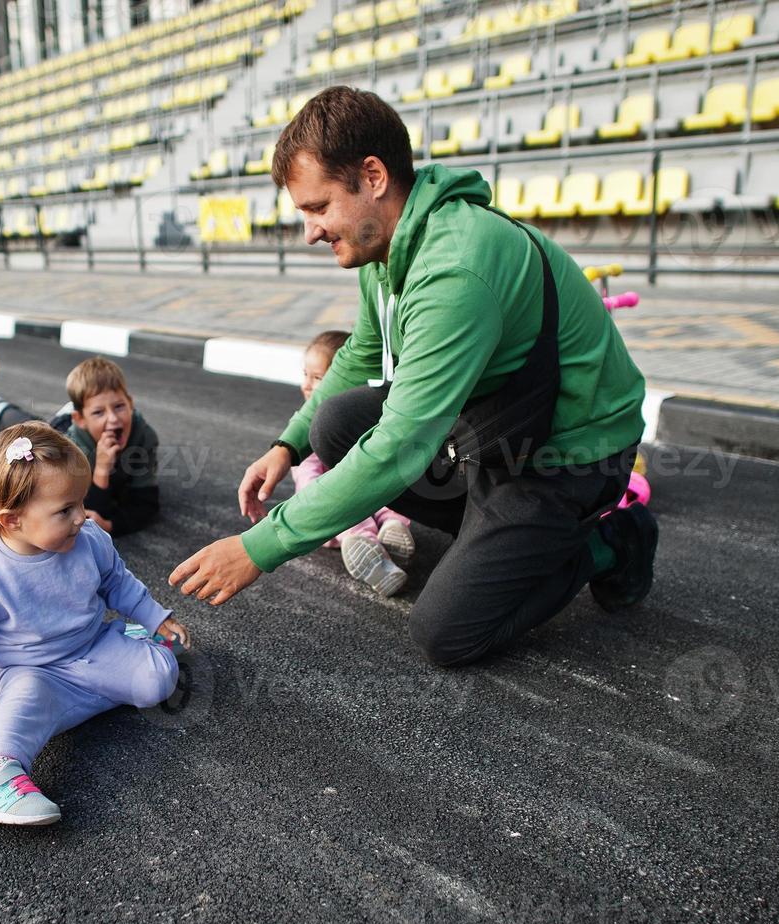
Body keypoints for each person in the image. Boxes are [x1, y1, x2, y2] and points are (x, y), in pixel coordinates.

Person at [169, 86, 657, 667]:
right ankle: (494, 539)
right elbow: (357, 356)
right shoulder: (388, 246)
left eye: (318, 207)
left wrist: (261, 546)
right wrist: (287, 444)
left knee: (447, 634)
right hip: (498, 429)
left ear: (372, 176)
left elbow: (402, 445)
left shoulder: (454, 268)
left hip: (567, 452)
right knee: (336, 423)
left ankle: (606, 543)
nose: (310, 232)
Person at [0, 423, 190, 826]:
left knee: (159, 681)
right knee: (28, 698)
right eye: (65, 510)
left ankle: (93, 678)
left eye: (80, 503)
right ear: (12, 521)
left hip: (93, 646)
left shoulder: (89, 538)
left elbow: (118, 582)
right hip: (31, 671)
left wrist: (155, 616)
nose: (82, 517)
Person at [294, 330, 415, 597]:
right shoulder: (309, 429)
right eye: (305, 374)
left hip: (359, 496)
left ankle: (391, 529)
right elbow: (309, 479)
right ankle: (367, 545)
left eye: (318, 379)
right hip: (338, 506)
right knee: (335, 495)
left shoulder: (345, 421)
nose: (307, 385)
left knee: (382, 488)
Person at [0, 356, 161, 536]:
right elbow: (79, 512)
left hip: (79, 421)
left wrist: (110, 525)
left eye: (119, 406)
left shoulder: (144, 436)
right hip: (62, 429)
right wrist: (101, 470)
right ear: (81, 419)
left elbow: (147, 503)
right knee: (30, 433)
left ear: (130, 404)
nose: (113, 419)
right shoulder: (69, 449)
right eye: (99, 412)